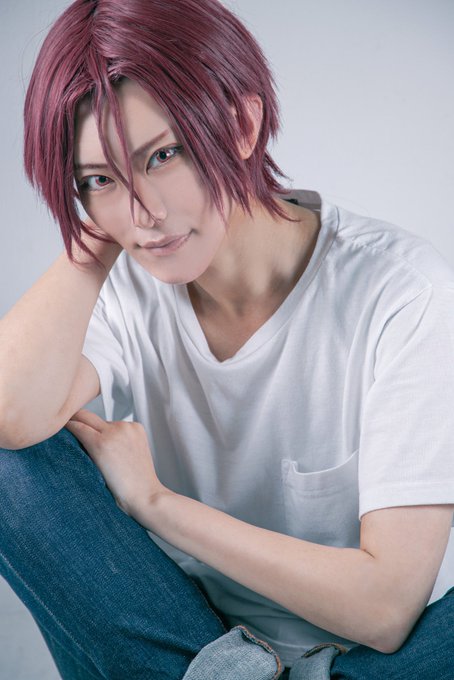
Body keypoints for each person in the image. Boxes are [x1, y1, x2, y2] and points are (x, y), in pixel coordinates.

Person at [0, 0, 453, 678]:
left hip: (368, 664)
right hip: (190, 646)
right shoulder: (125, 285)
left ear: (241, 125)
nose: (145, 213)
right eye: (99, 179)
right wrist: (93, 245)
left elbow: (385, 611)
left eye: (163, 155)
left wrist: (158, 505)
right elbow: (9, 418)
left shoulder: (403, 293)